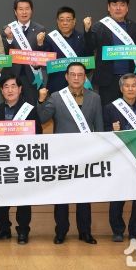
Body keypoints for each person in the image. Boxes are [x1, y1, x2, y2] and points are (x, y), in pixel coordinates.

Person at [37, 62, 103, 245]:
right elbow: (42, 118)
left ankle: (85, 232)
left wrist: (100, 152)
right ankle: (61, 232)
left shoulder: (95, 98)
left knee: (85, 195)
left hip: (86, 154)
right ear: (66, 77)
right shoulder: (57, 97)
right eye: (72, 74)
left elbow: (99, 127)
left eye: (80, 75)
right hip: (63, 154)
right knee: (62, 195)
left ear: (85, 77)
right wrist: (41, 101)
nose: (76, 78)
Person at [0, 74, 43, 244]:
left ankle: (23, 231)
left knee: (23, 198)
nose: (10, 90)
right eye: (6, 87)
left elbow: (38, 133)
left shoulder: (29, 110)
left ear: (20, 89)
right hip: (1, 161)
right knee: (0, 197)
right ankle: (3, 229)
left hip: (22, 161)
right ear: (2, 90)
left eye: (13, 86)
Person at [102, 73, 136, 242]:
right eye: (127, 85)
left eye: (134, 85)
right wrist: (112, 129)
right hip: (118, 157)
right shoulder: (110, 108)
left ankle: (135, 230)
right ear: (121, 88)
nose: (130, 89)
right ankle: (117, 230)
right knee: (118, 195)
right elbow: (102, 133)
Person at [84, 0, 136, 106]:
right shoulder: (99, 26)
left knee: (130, 111)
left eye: (122, 5)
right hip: (107, 80)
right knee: (108, 112)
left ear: (127, 8)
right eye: (114, 4)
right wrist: (87, 31)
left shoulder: (135, 27)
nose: (118, 8)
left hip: (129, 79)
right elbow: (89, 48)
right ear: (108, 7)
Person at [2, 0, 46, 104]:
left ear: (32, 10)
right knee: (13, 107)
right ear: (15, 12)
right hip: (12, 76)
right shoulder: (7, 29)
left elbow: (43, 55)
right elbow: (4, 54)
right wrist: (9, 39)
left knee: (31, 107)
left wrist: (40, 44)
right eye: (21, 9)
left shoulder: (40, 29)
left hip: (32, 76)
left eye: (27, 9)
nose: (24, 12)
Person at [40, 6, 90, 93]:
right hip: (56, 85)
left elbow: (88, 63)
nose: (65, 23)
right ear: (57, 22)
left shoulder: (82, 38)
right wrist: (40, 44)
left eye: (68, 20)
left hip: (78, 86)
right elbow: (44, 63)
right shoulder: (50, 39)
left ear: (74, 21)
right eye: (62, 20)